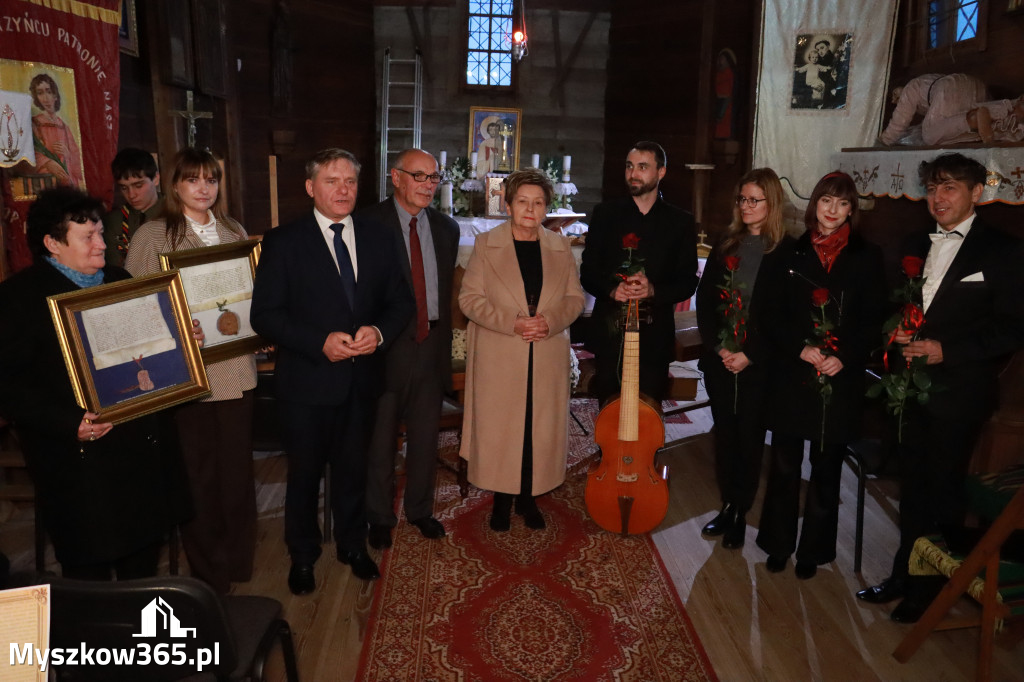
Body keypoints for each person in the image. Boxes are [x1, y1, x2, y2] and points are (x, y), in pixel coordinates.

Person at [856, 153, 1024, 621]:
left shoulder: (1004, 250)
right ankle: (903, 574)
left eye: (950, 187)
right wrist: (893, 330)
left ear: (977, 193)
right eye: (932, 188)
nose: (938, 197)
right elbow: (898, 304)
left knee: (943, 491)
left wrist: (946, 350)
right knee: (911, 487)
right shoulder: (914, 241)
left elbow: (1013, 328)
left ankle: (928, 590)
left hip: (960, 393)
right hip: (907, 389)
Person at [0, 187, 191, 579]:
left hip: (139, 452)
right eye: (88, 237)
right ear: (53, 243)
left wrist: (181, 343)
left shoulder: (120, 279)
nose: (102, 244)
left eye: (101, 233)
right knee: (91, 573)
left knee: (143, 565)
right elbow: (8, 386)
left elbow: (148, 352)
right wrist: (69, 423)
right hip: (78, 461)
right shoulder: (18, 298)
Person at [250, 148, 413, 593]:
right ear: (310, 187)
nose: (343, 190)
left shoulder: (379, 237)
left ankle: (352, 545)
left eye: (350, 182)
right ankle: (303, 555)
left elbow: (401, 302)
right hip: (307, 382)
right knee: (303, 476)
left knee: (353, 470)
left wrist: (378, 332)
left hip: (362, 381)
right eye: (331, 181)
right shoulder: (283, 241)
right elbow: (265, 315)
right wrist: (319, 341)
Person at [124, 148, 258, 594]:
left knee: (236, 475)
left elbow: (249, 294)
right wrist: (178, 327)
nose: (203, 188)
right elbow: (135, 305)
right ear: (175, 185)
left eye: (211, 180)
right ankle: (210, 574)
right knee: (199, 478)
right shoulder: (153, 235)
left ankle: (238, 562)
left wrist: (260, 323)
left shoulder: (233, 230)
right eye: (193, 179)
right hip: (187, 376)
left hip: (235, 368)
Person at [756, 171, 886, 579]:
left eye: (842, 203)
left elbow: (875, 319)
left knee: (826, 468)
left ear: (851, 210)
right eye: (826, 200)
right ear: (815, 204)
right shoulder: (788, 252)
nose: (833, 210)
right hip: (793, 373)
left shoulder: (868, 256)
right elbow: (768, 314)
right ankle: (778, 544)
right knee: (784, 466)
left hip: (840, 378)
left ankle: (813, 551)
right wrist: (800, 347)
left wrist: (844, 356)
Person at [459, 168, 585, 531]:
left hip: (545, 351)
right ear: (508, 205)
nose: (530, 209)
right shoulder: (487, 245)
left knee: (537, 427)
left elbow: (575, 299)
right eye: (523, 202)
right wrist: (512, 322)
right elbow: (469, 299)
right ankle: (501, 502)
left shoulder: (561, 247)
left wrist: (550, 321)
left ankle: (529, 499)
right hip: (501, 351)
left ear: (547, 207)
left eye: (538, 203)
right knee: (503, 429)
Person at [358, 149, 460, 550]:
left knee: (425, 436)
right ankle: (379, 515)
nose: (428, 185)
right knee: (380, 438)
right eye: (419, 176)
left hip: (431, 343)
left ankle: (420, 510)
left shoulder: (447, 228)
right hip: (386, 346)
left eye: (433, 178)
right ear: (395, 177)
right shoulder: (366, 223)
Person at [695, 168, 794, 550]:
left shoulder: (785, 250)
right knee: (725, 436)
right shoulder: (726, 243)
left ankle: (740, 511)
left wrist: (749, 354)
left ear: (772, 203)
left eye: (755, 200)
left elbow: (783, 315)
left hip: (759, 364)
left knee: (749, 439)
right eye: (742, 199)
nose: (746, 206)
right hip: (722, 361)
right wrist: (720, 348)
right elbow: (706, 301)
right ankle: (727, 504)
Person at [581, 141, 698, 405]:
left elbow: (687, 282)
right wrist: (612, 290)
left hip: (654, 336)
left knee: (648, 413)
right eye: (629, 166)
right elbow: (588, 272)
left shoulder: (680, 222)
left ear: (661, 172)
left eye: (642, 167)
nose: (633, 173)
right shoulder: (605, 214)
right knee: (609, 410)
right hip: (610, 334)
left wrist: (654, 290)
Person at [879, 73, 988, 146]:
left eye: (895, 93)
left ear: (904, 84)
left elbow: (899, 121)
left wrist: (883, 142)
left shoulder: (911, 86)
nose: (894, 100)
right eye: (892, 98)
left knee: (929, 136)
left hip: (949, 87)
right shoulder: (926, 82)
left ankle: (973, 119)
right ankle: (992, 120)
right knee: (944, 135)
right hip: (972, 84)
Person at [103, 148, 163, 266]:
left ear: (156, 179)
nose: (131, 195)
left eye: (138, 185)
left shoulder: (177, 211)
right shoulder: (114, 222)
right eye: (124, 188)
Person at [29, 73, 85, 189]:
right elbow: (29, 155)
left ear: (55, 95)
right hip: (47, 185)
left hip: (68, 187)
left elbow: (79, 168)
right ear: (36, 97)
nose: (46, 98)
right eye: (40, 93)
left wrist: (68, 155)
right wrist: (47, 163)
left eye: (49, 92)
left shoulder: (64, 127)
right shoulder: (35, 124)